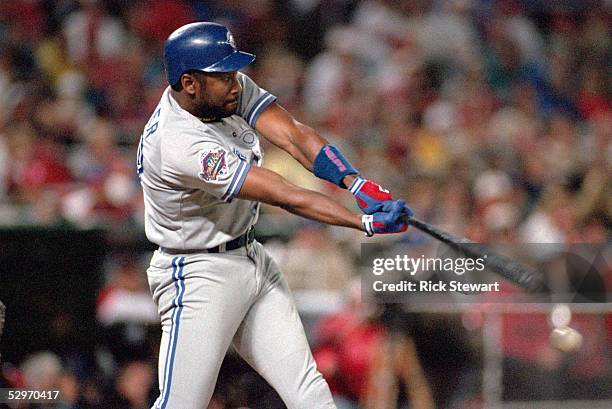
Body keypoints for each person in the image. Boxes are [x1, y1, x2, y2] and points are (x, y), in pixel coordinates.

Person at [137, 22, 412, 409]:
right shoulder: (178, 141)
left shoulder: (222, 92)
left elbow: (293, 135)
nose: (235, 83)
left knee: (311, 394)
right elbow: (283, 194)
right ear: (190, 83)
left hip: (251, 257)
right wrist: (361, 221)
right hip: (198, 274)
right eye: (223, 75)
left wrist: (356, 184)